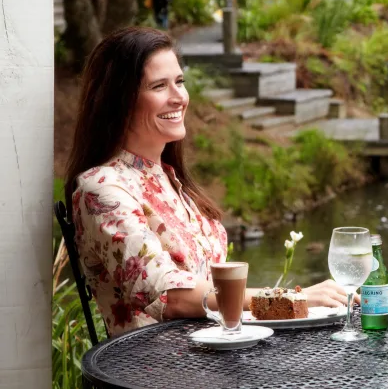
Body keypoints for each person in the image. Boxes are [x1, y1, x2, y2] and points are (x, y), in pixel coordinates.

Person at [65, 27, 351, 336]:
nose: (179, 98)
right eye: (159, 86)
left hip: (214, 355)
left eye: (179, 82)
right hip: (151, 373)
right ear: (119, 101)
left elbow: (210, 289)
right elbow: (170, 297)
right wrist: (292, 299)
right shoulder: (102, 189)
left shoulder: (168, 178)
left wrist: (302, 304)